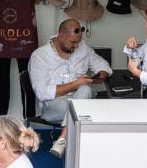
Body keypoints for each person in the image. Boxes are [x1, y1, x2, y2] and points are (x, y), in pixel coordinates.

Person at [28, 19, 112, 158]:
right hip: (54, 106)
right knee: (82, 106)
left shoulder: (83, 48)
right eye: (73, 42)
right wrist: (74, 84)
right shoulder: (40, 56)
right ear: (61, 36)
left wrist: (100, 76)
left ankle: (63, 139)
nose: (76, 46)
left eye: (78, 41)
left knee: (85, 90)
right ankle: (83, 150)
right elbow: (42, 93)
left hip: (83, 98)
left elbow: (103, 65)